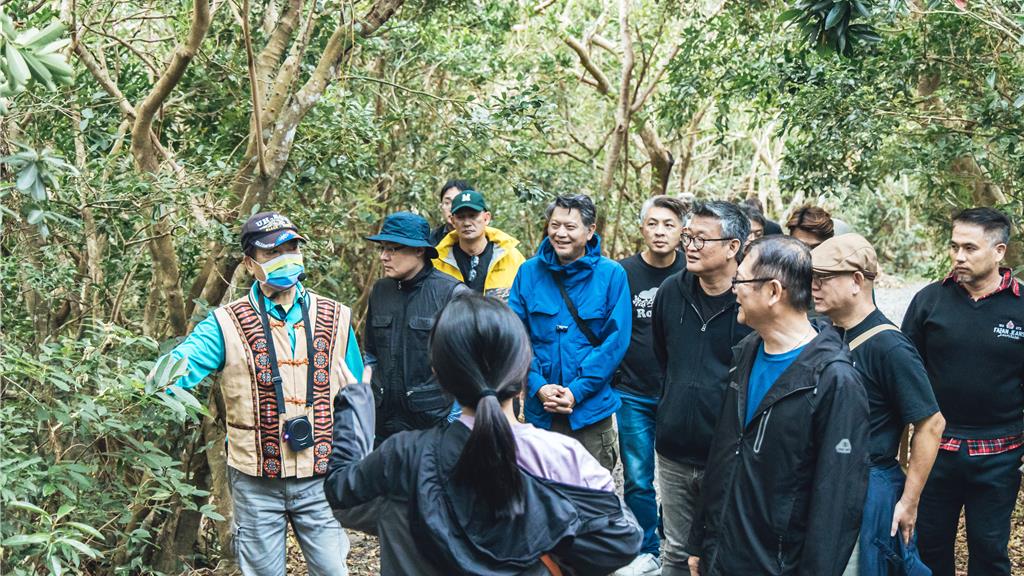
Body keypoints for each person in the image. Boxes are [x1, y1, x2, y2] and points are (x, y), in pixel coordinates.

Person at [324, 294, 643, 575]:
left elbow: (341, 491)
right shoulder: (564, 458)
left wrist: (356, 405)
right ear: (522, 371)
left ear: (438, 373)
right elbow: (620, 542)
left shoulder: (406, 456)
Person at [150, 211, 361, 575]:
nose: (286, 257)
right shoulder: (225, 324)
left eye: (292, 248)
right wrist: (152, 382)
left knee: (333, 569)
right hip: (255, 481)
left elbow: (357, 395)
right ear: (250, 264)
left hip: (320, 476)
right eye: (272, 252)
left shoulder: (335, 316)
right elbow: (172, 371)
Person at [686, 235, 869, 576]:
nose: (733, 289)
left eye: (739, 280)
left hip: (777, 566)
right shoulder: (746, 353)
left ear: (773, 291)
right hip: (722, 556)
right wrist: (700, 543)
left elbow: (837, 503)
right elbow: (723, 454)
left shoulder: (835, 380)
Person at [810, 234, 945, 576]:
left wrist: (909, 502)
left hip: (868, 487)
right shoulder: (829, 334)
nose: (813, 287)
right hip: (827, 479)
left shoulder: (889, 346)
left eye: (823, 278)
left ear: (857, 281)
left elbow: (931, 424)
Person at [901, 207, 1023, 576]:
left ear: (999, 252)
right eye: (954, 246)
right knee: (930, 546)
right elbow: (906, 375)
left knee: (989, 550)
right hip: (935, 449)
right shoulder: (929, 301)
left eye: (970, 248)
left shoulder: (1021, 306)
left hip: (1001, 453)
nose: (958, 256)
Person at [650, 201, 752, 576]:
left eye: (702, 239)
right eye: (688, 236)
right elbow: (664, 358)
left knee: (724, 550)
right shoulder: (670, 292)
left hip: (727, 453)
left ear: (733, 247)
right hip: (674, 449)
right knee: (675, 550)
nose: (689, 246)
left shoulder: (752, 299)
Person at [508, 194, 632, 472]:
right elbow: (515, 336)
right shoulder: (528, 272)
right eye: (555, 225)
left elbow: (615, 342)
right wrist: (537, 385)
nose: (560, 233)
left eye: (570, 227)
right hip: (541, 413)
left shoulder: (612, 275)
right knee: (542, 497)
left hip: (590, 413)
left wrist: (576, 391)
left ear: (590, 231)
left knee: (592, 500)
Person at [613, 195, 687, 576]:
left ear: (682, 231)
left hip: (679, 393)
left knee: (682, 472)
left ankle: (679, 544)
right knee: (639, 477)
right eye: (653, 223)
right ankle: (646, 549)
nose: (660, 232)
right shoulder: (621, 273)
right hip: (633, 392)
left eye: (669, 224)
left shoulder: (692, 272)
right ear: (641, 228)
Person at [364, 211, 469, 443]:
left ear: (419, 250)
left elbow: (472, 364)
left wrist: (453, 421)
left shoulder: (452, 294)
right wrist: (368, 401)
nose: (383, 256)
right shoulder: (380, 291)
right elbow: (371, 353)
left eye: (392, 249)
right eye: (382, 248)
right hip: (384, 426)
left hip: (435, 426)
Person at [433, 189, 526, 301]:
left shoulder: (512, 258)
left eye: (473, 216)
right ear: (453, 221)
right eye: (460, 217)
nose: (467, 223)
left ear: (486, 218)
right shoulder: (438, 262)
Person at [429, 179, 472, 246]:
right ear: (441, 206)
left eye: (457, 202)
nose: (451, 208)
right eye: (447, 203)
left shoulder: (483, 236)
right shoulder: (433, 238)